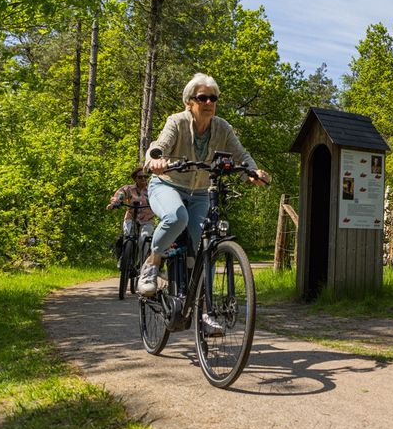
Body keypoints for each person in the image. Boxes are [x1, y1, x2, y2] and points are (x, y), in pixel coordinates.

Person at [141, 73, 270, 299]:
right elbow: (159, 145)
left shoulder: (223, 128)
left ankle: (204, 308)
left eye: (213, 98)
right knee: (176, 217)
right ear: (189, 102)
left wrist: (253, 172)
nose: (209, 102)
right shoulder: (177, 121)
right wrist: (156, 159)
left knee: (206, 244)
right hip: (167, 185)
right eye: (203, 98)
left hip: (200, 193)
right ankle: (153, 262)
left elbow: (242, 155)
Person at [106, 167, 155, 261]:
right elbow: (120, 195)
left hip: (147, 220)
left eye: (145, 177)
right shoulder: (128, 189)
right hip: (131, 217)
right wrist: (114, 204)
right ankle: (123, 259)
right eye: (140, 177)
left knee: (144, 240)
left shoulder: (152, 189)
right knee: (127, 236)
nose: (143, 179)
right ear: (135, 178)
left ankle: (143, 265)